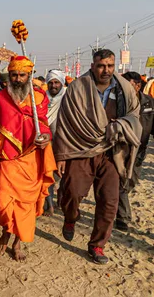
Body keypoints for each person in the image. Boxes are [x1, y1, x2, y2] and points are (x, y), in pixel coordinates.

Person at [54, 49, 141, 264]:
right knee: (72, 193)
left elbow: (134, 114)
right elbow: (65, 122)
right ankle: (71, 217)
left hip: (112, 152)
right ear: (93, 66)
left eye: (110, 65)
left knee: (109, 202)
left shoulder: (124, 89)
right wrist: (62, 156)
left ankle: (97, 246)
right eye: (101, 65)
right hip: (80, 149)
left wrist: (121, 126)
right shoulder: (77, 87)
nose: (106, 70)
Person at [0, 56, 56, 262]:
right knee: (2, 199)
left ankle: (16, 241)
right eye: (14, 75)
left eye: (22, 75)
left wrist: (45, 136)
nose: (17, 79)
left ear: (29, 76)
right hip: (7, 158)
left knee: (26, 204)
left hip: (31, 157)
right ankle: (6, 231)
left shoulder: (39, 98)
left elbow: (43, 124)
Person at [115, 72, 153, 231]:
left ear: (138, 86)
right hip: (118, 150)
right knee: (120, 183)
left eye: (128, 84)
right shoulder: (116, 102)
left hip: (138, 152)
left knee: (130, 182)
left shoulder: (149, 103)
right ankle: (122, 217)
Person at [43, 69, 67, 216]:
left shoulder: (68, 98)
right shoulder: (41, 99)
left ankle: (61, 203)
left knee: (62, 175)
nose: (53, 86)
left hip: (65, 144)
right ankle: (50, 205)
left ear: (61, 83)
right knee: (48, 173)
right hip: (46, 143)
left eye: (56, 82)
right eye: (51, 82)